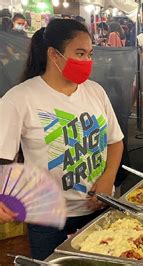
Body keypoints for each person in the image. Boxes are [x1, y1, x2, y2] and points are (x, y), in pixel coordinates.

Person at [0, 19, 124, 259]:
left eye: (90, 53)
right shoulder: (19, 99)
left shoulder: (95, 91)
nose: (87, 61)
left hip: (98, 207)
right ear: (54, 55)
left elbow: (115, 141)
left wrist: (108, 179)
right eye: (79, 53)